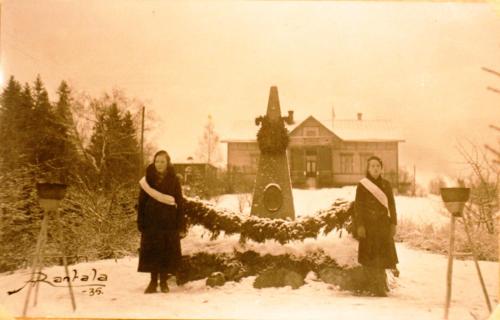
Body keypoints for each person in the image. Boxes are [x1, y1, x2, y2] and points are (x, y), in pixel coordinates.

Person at [137, 150, 187, 293]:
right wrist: (140, 221)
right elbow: (141, 202)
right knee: (152, 251)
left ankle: (164, 282)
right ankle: (153, 282)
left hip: (168, 221)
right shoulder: (147, 180)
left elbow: (180, 201)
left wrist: (181, 223)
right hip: (151, 221)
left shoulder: (174, 179)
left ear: (167, 163)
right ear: (154, 162)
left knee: (166, 251)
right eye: (157, 161)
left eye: (162, 161)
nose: (159, 164)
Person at [354, 156, 398, 296]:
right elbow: (358, 207)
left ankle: (381, 286)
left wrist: (393, 223)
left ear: (381, 168)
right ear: (368, 168)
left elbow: (391, 205)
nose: (375, 168)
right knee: (370, 258)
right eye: (372, 166)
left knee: (383, 257)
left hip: (383, 227)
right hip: (368, 227)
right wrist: (360, 225)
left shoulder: (386, 185)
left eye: (378, 166)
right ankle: (374, 287)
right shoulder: (362, 185)